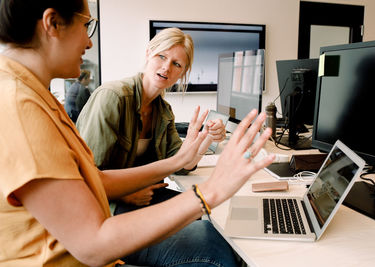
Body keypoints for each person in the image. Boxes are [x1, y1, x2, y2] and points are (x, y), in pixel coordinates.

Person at [0, 0, 275, 266]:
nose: (89, 42)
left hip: (90, 238)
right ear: (53, 23)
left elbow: (95, 179)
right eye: (88, 26)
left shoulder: (35, 95)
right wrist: (209, 192)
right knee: (216, 248)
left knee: (214, 228)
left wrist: (192, 149)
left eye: (177, 64)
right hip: (93, 242)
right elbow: (92, 245)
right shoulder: (20, 104)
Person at [76, 27, 227, 212]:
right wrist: (127, 193)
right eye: (161, 57)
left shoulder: (164, 111)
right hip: (107, 204)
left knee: (206, 210)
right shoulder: (113, 97)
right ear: (148, 53)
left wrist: (206, 137)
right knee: (198, 219)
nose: (166, 67)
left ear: (183, 72)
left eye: (177, 64)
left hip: (146, 197)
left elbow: (182, 165)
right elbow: (85, 175)